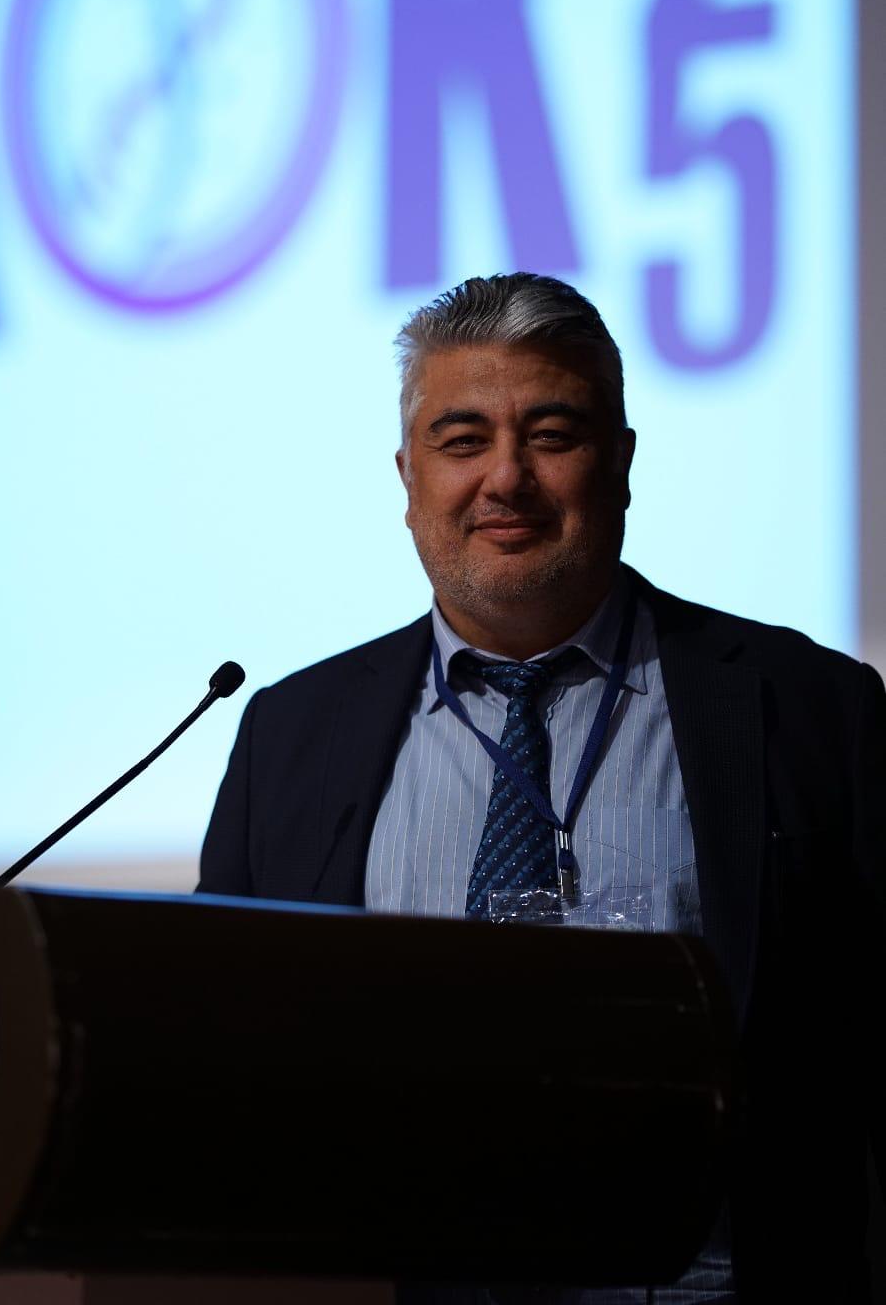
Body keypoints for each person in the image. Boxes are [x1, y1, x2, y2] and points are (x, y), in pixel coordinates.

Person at [198, 272, 885, 1305]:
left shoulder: (807, 707)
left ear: (620, 463)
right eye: (462, 440)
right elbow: (222, 1061)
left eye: (552, 435)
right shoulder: (291, 733)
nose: (505, 478)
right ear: (408, 476)